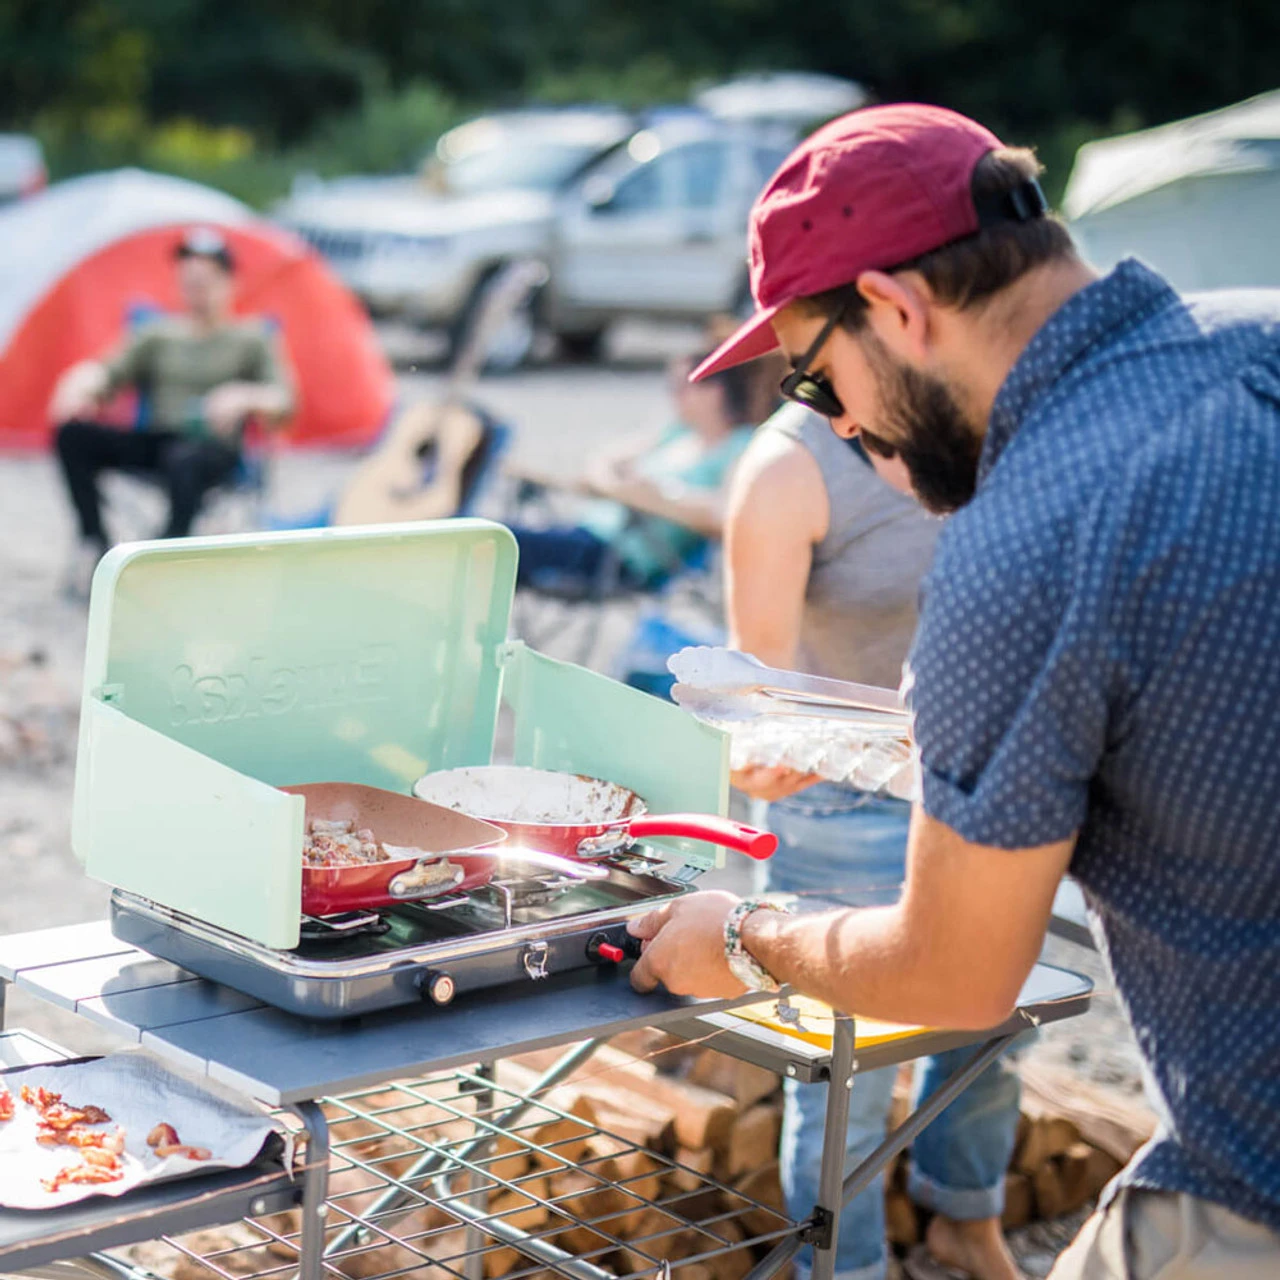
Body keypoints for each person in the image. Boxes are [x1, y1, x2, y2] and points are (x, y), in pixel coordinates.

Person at [626, 103, 1280, 1278]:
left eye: (819, 384)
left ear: (896, 309)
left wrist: (741, 932)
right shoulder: (1261, 340)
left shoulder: (1021, 538)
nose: (843, 430)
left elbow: (951, 971)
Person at [726, 406, 1022, 1280]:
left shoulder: (991, 412)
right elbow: (759, 698)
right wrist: (770, 754)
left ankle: (962, 1222)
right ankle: (844, 1272)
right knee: (842, 1084)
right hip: (845, 814)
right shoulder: (788, 467)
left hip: (992, 791)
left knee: (995, 1034)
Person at [50, 226, 295, 585]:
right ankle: (95, 540)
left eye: (206, 280)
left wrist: (245, 395)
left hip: (213, 450)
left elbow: (285, 400)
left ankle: (159, 563)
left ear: (229, 283)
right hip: (158, 440)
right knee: (73, 434)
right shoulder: (157, 334)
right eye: (189, 280)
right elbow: (107, 371)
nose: (196, 290)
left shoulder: (251, 338)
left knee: (186, 460)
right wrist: (79, 383)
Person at [507, 352, 755, 592]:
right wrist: (624, 489)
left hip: (621, 557)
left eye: (681, 387)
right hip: (591, 533)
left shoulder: (739, 446)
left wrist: (647, 495)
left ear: (714, 392)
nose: (673, 396)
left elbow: (721, 515)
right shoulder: (677, 433)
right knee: (496, 540)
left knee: (495, 545)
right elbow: (602, 462)